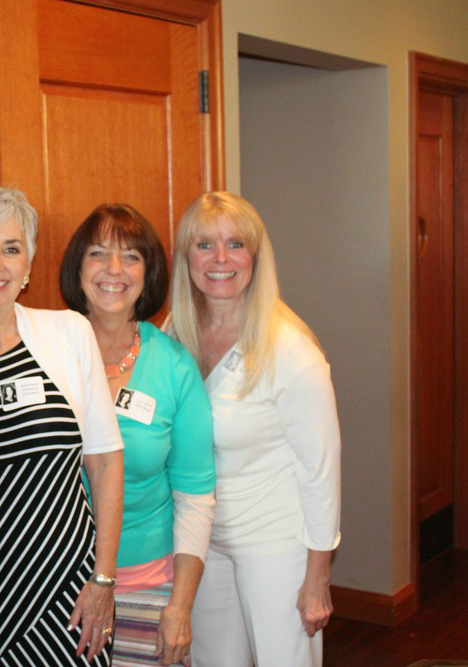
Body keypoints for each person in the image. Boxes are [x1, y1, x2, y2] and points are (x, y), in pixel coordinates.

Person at [0, 185, 125, 666]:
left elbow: (106, 463)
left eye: (11, 249)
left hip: (72, 596)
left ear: (28, 264)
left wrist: (104, 579)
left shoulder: (69, 332)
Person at [169, 192, 341, 667]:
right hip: (203, 544)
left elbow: (320, 470)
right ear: (187, 257)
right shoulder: (175, 331)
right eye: (205, 244)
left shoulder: (291, 350)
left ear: (256, 257)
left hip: (276, 546)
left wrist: (317, 577)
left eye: (236, 244)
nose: (220, 259)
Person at [60, 204, 216, 666]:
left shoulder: (174, 367)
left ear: (148, 276)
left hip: (149, 586)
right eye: (98, 253)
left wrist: (180, 608)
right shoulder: (46, 350)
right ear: (77, 269)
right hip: (54, 586)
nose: (113, 269)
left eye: (131, 256)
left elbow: (195, 497)